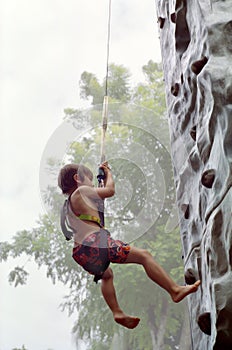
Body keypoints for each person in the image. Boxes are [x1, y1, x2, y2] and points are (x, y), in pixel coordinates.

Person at [58, 162, 200, 329]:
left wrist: (99, 184)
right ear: (78, 178)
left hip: (82, 252)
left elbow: (94, 206)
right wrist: (108, 173)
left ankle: (117, 311)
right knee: (144, 256)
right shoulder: (81, 191)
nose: (91, 184)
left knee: (106, 275)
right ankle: (175, 290)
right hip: (95, 243)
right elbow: (110, 191)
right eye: (89, 180)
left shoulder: (68, 206)